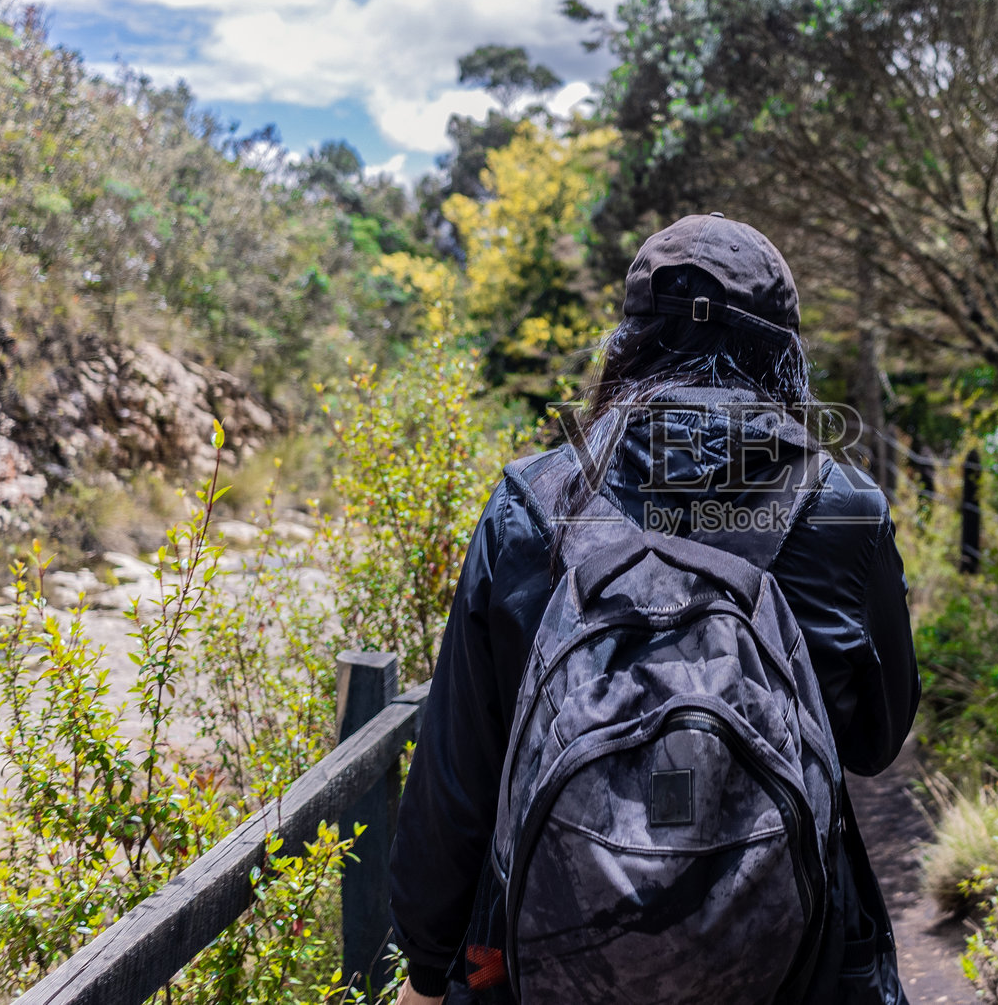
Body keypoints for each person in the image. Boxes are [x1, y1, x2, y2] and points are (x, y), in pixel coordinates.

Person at [389, 213, 919, 1005]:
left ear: (629, 340)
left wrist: (429, 973)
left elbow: (458, 778)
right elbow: (877, 739)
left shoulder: (534, 503)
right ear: (784, 354)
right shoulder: (844, 509)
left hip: (545, 964)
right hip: (790, 966)